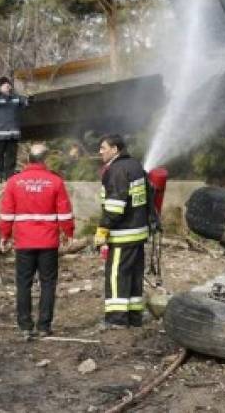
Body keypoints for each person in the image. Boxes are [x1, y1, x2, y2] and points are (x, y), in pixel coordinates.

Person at [0, 143, 74, 340]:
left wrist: (4, 236)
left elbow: (6, 213)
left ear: (28, 159)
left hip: (23, 242)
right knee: (48, 283)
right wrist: (68, 233)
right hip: (48, 242)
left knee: (23, 284)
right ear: (45, 160)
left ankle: (25, 326)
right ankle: (44, 326)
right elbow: (65, 213)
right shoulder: (55, 182)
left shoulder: (15, 182)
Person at [94, 134, 150, 329]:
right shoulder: (136, 166)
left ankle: (116, 319)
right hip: (138, 233)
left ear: (115, 149)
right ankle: (134, 317)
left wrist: (102, 231)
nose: (100, 151)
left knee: (117, 275)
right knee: (134, 275)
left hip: (122, 234)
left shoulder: (116, 170)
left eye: (103, 148)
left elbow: (115, 207)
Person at [0, 76, 31, 182]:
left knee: (11, 155)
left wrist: (30, 100)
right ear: (1, 86)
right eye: (4, 85)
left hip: (13, 133)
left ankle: (10, 175)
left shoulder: (15, 97)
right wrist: (0, 91)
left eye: (8, 84)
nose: (7, 86)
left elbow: (25, 102)